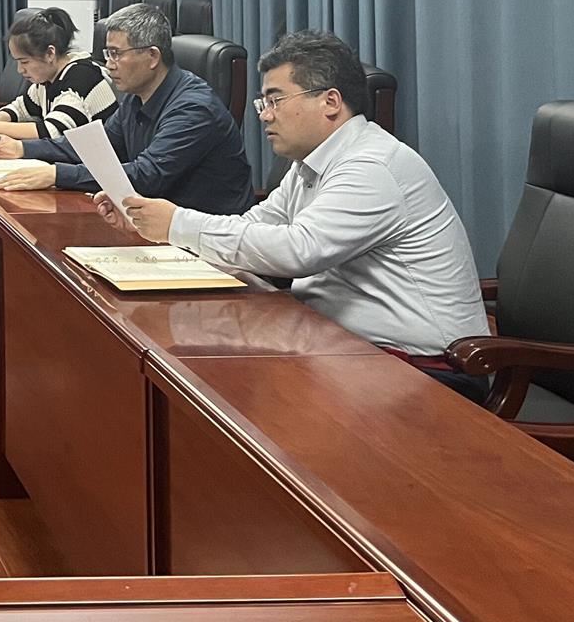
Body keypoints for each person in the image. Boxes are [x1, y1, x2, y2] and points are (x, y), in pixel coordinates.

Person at [112, 30, 488, 383]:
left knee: (233, 386)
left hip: (423, 367)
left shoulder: (372, 165)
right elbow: (258, 224)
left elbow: (299, 250)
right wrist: (153, 224)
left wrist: (178, 224)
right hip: (337, 342)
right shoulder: (311, 163)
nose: (264, 114)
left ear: (330, 102)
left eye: (275, 100)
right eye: (263, 102)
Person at [0, 2, 253, 212]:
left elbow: (146, 175)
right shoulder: (136, 98)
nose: (108, 65)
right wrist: (22, 149)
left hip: (207, 238)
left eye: (115, 54)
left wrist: (55, 174)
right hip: (156, 223)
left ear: (152, 56)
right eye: (107, 54)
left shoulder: (194, 109)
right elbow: (95, 147)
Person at [0, 7, 115, 143]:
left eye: (24, 62)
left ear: (50, 53)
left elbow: (52, 131)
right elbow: (22, 107)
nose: (20, 70)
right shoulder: (49, 78)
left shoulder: (81, 76)